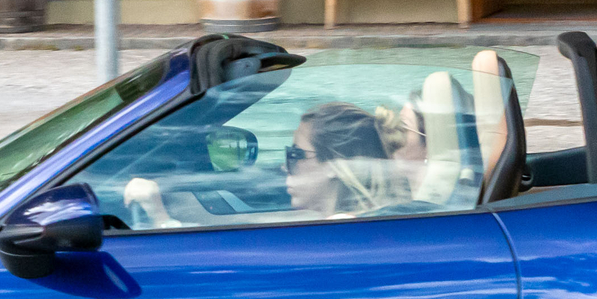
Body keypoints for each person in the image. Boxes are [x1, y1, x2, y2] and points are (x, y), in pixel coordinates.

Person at [124, 101, 397, 230]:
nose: (283, 166)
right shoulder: (330, 223)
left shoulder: (338, 230)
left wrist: (160, 219)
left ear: (335, 166)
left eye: (294, 155)